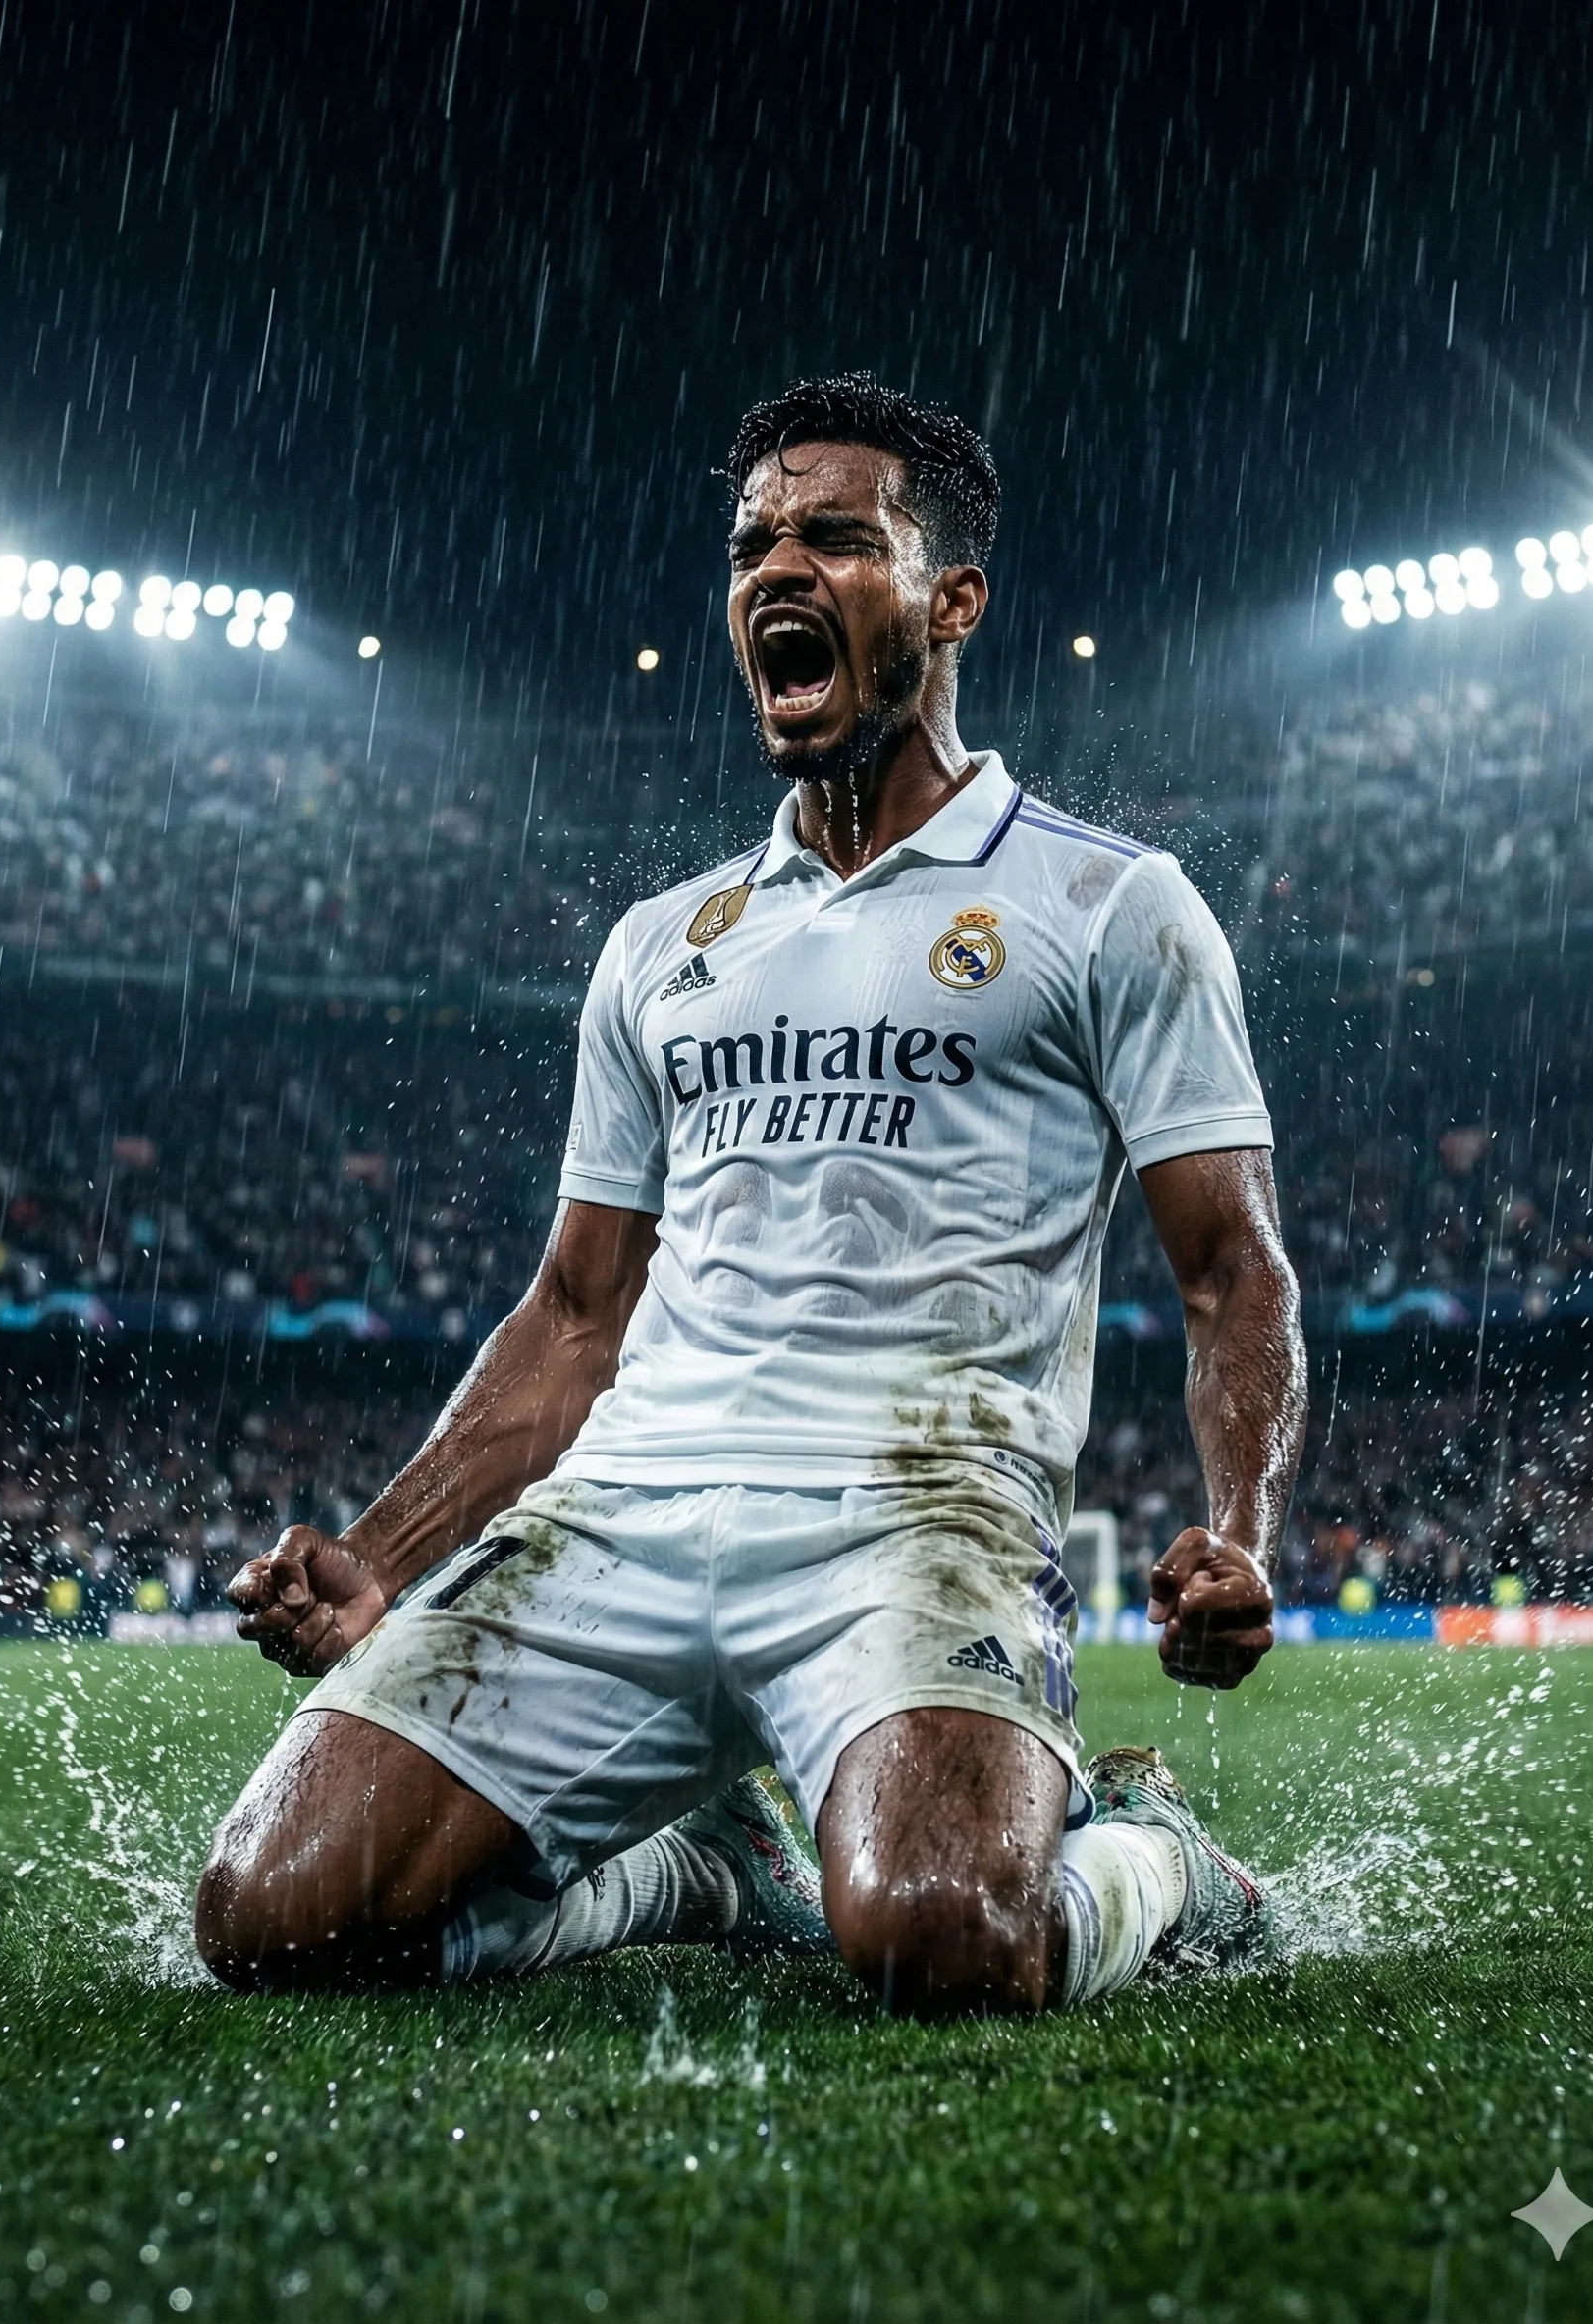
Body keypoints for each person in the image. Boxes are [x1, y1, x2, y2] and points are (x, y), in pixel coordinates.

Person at [196, 373, 1306, 2015]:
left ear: (952, 600)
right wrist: (382, 1550)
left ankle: (1156, 1857)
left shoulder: (1109, 904)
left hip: (920, 1514)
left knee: (946, 1941)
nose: (777, 570)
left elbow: (1232, 1275)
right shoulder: (664, 943)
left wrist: (1242, 1532)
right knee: (273, 1919)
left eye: (837, 539)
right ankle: (693, 1869)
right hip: (620, 1513)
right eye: (752, 545)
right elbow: (575, 1319)